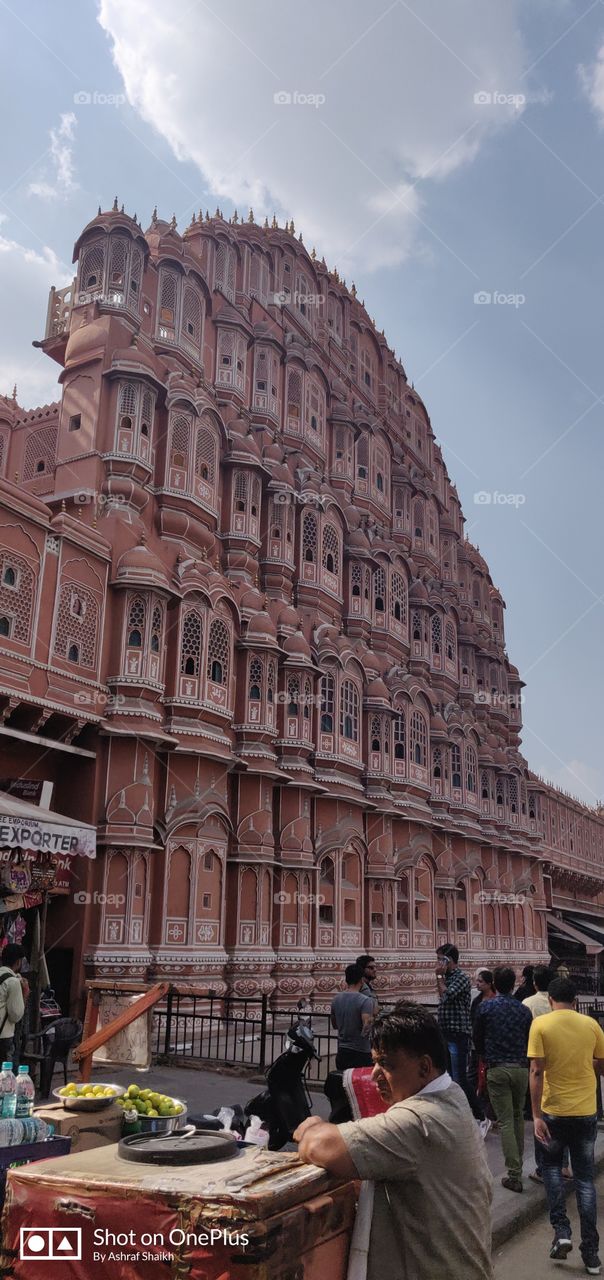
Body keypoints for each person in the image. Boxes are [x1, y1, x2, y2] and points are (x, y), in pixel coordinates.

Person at [294, 1004, 493, 1280]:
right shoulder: (452, 1093)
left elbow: (319, 1146)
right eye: (375, 1061)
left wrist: (313, 1126)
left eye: (386, 1064)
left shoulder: (420, 1121)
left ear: (424, 1067)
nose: (375, 1074)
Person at [529, 976, 604, 1274]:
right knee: (585, 1180)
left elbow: (536, 1071)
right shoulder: (592, 1026)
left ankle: (562, 1231)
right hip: (586, 1111)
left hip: (553, 1112)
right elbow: (602, 1064)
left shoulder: (541, 1025)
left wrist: (535, 1115)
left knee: (551, 1169)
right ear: (575, 1001)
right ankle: (592, 1254)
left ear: (550, 1000)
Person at [473, 965, 532, 1192]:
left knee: (506, 1120)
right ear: (514, 984)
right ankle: (518, 1166)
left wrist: (485, 1056)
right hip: (520, 1068)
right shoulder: (523, 1010)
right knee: (517, 1117)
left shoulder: (487, 1008)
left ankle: (514, 1173)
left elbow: (477, 1038)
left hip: (497, 1068)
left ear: (495, 984)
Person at [523, 966, 571, 1185]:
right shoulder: (568, 1011)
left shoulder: (528, 1005)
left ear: (534, 983)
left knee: (541, 1119)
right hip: (563, 1066)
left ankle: (544, 1169)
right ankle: (564, 1166)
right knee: (565, 1122)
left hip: (538, 1065)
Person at [436, 943, 472, 1093]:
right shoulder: (447, 978)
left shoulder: (461, 977)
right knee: (447, 1076)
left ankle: (476, 1112)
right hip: (446, 1031)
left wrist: (439, 976)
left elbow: (447, 995)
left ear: (448, 960)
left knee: (459, 1078)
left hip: (457, 1033)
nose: (437, 963)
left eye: (440, 959)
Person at [330, 963, 374, 1070]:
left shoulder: (336, 999)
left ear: (346, 979)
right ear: (361, 980)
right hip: (361, 1052)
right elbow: (366, 1025)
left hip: (342, 1051)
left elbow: (334, 1024)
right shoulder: (365, 1001)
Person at [0, 943, 28, 1064]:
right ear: (18, 962)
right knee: (4, 1076)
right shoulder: (13, 982)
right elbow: (16, 1015)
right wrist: (25, 993)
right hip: (3, 1036)